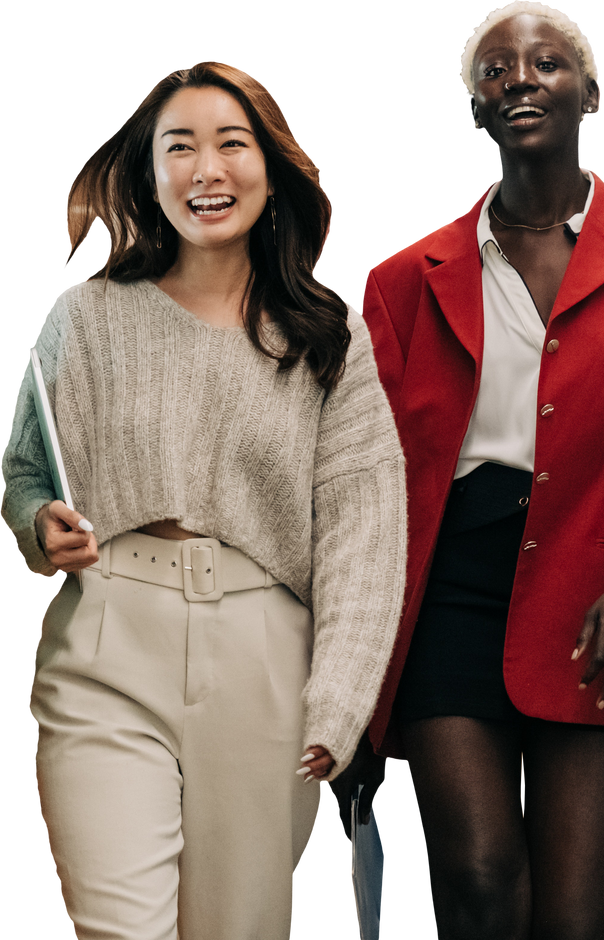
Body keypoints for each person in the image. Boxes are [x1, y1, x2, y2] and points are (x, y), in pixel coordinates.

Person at [350, 2, 604, 937]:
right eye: (495, 70)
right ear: (474, 113)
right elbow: (363, 479)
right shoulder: (402, 280)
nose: (519, 76)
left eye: (547, 62)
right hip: (447, 591)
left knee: (575, 914)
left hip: (601, 595)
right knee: (478, 879)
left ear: (589, 94)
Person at [2, 60, 407, 940]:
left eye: (230, 143)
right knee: (117, 927)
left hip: (264, 656)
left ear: (270, 166)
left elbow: (364, 534)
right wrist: (43, 524)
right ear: (150, 175)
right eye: (176, 147)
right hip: (105, 636)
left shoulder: (330, 338)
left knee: (243, 927)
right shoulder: (84, 315)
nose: (204, 169)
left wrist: (339, 699)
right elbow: (25, 469)